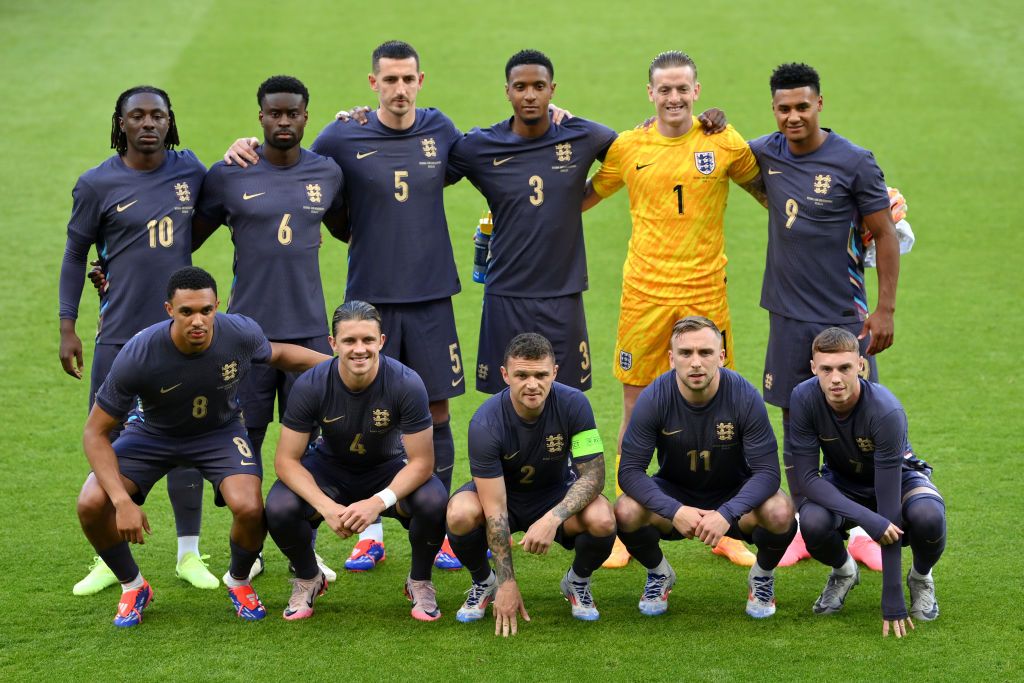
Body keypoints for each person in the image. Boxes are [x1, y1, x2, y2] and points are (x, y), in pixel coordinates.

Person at [225, 41, 464, 571]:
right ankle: (368, 532)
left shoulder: (441, 131)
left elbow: (490, 153)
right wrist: (246, 146)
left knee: (437, 411)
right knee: (357, 413)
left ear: (421, 81)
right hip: (370, 300)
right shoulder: (341, 135)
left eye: (408, 79)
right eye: (389, 80)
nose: (399, 89)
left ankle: (440, 532)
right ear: (372, 83)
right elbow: (295, 168)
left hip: (431, 296)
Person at [582, 51, 767, 569]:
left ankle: (723, 523)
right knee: (635, 409)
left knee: (719, 406)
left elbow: (773, 192)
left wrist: (854, 211)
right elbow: (577, 198)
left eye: (682, 88)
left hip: (706, 292)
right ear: (650, 94)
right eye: (664, 89)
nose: (674, 98)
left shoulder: (723, 142)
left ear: (697, 90)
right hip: (644, 294)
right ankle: (624, 522)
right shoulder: (628, 146)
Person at [75, 266, 331, 627]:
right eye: (186, 312)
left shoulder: (239, 331)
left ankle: (238, 581)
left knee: (249, 506)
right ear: (169, 310)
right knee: (91, 503)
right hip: (152, 434)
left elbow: (277, 354)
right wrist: (121, 502)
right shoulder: (140, 352)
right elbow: (94, 432)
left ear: (217, 306)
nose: (198, 320)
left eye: (206, 310)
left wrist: (336, 366)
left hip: (219, 432)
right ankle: (133, 586)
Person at [58, 86, 215, 595]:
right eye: (137, 116)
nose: (148, 124)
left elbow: (205, 219)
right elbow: (75, 253)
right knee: (109, 436)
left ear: (171, 122)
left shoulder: (190, 169)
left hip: (183, 335)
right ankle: (109, 557)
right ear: (120, 123)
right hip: (119, 333)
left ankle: (189, 553)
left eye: (158, 116)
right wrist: (67, 325)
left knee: (187, 436)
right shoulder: (96, 183)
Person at [748, 63, 901, 569]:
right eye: (784, 108)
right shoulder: (765, 150)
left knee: (858, 417)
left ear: (820, 104)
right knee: (797, 419)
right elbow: (719, 153)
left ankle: (863, 528)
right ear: (774, 110)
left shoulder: (854, 161)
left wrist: (884, 310)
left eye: (802, 106)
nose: (793, 116)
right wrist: (709, 120)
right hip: (787, 317)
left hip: (842, 315)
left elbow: (883, 233)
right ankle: (802, 525)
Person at [193, 74, 346, 580]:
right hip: (246, 337)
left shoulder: (327, 172)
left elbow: (349, 228)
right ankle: (251, 548)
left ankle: (304, 543)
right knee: (247, 441)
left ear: (306, 115)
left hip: (307, 334)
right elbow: (183, 238)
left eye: (293, 113)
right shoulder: (229, 173)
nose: (284, 121)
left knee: (315, 446)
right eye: (274, 113)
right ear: (259, 116)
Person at [447, 49, 617, 398]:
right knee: (503, 399)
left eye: (538, 86)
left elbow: (632, 152)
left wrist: (583, 198)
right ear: (507, 91)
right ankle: (503, 456)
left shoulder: (579, 135)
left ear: (552, 90)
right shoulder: (481, 146)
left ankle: (578, 457)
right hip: (506, 294)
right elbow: (425, 167)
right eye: (520, 86)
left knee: (572, 399)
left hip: (563, 293)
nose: (529, 95)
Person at [264, 301, 448, 622]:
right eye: (349, 341)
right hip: (329, 471)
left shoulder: (406, 383)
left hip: (387, 471)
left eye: (367, 340)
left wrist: (378, 502)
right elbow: (286, 461)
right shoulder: (310, 384)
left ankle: (419, 581)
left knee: (433, 499)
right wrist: (325, 506)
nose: (359, 349)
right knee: (279, 506)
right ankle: (309, 577)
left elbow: (421, 463)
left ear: (381, 341)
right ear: (333, 344)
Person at [616, 317, 797, 618]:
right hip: (675, 494)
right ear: (672, 359)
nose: (696, 363)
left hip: (733, 494)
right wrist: (674, 510)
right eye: (686, 353)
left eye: (706, 353)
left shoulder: (744, 395)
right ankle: (659, 573)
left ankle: (762, 575)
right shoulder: (654, 397)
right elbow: (630, 471)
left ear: (722, 357)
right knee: (625, 510)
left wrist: (727, 513)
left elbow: (767, 472)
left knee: (781, 511)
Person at [446, 333, 616, 636]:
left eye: (541, 375)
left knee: (603, 518)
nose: (532, 384)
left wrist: (554, 518)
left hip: (555, 494)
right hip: (503, 498)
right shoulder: (485, 423)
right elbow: (495, 509)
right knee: (459, 513)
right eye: (522, 375)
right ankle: (485, 583)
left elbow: (593, 475)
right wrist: (507, 582)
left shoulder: (575, 404)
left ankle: (577, 580)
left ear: (555, 372)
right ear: (505, 375)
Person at [790, 327, 945, 637]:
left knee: (929, 518)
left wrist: (892, 597)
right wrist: (865, 519)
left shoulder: (886, 411)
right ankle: (844, 571)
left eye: (844, 368)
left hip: (897, 481)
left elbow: (888, 508)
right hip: (843, 481)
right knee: (812, 522)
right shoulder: (803, 397)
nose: (835, 378)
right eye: (826, 369)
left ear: (860, 365)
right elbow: (806, 478)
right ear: (813, 368)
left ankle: (920, 577)